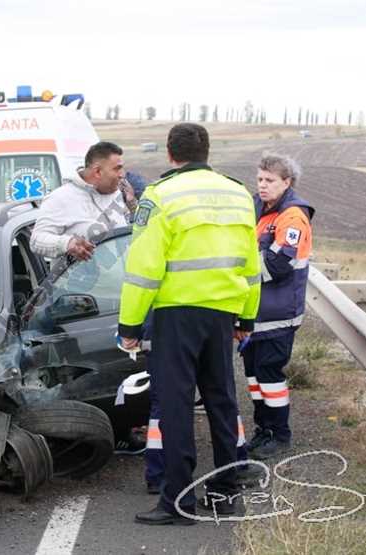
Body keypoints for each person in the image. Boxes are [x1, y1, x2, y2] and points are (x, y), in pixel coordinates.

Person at [119, 123, 261, 525]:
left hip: (176, 314)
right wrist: (246, 316)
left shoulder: (159, 196)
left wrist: (130, 326)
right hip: (223, 313)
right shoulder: (237, 193)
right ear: (207, 151)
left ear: (170, 153)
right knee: (222, 402)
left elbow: (144, 268)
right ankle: (225, 494)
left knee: (176, 407)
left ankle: (177, 502)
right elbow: (251, 263)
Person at [243, 154, 314, 460]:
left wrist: (235, 271)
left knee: (269, 374)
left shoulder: (293, 216)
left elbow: (278, 263)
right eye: (260, 179)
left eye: (270, 180)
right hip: (255, 312)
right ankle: (263, 430)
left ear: (287, 182)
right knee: (253, 376)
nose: (263, 185)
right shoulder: (258, 208)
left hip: (278, 314)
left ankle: (280, 435)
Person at [31, 141, 131, 260]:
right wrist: (67, 243)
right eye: (117, 169)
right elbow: (36, 240)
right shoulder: (60, 198)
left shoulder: (115, 192)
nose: (122, 174)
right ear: (97, 172)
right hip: (79, 272)